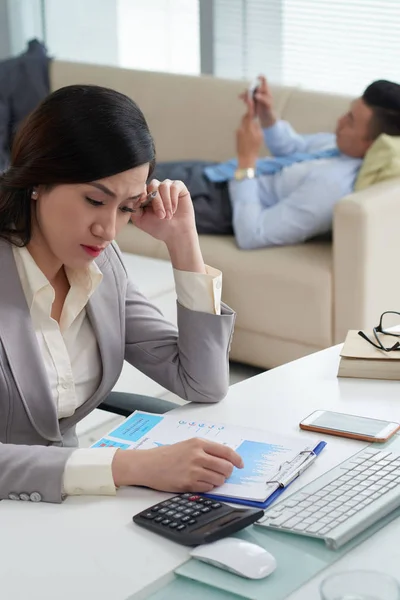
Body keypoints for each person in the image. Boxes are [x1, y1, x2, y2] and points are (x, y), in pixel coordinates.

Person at [0, 84, 244, 505]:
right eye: (95, 200)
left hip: (66, 508)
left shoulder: (103, 267)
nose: (108, 230)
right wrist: (130, 466)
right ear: (38, 180)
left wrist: (183, 242)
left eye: (128, 207)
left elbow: (202, 383)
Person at [152, 77, 400, 249]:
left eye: (351, 121)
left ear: (373, 143)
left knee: (122, 188)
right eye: (348, 112)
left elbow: (253, 235)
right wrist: (268, 117)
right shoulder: (339, 148)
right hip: (216, 173)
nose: (340, 120)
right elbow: (294, 148)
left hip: (218, 206)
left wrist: (247, 162)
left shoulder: (331, 189)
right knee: (132, 165)